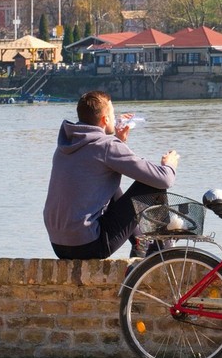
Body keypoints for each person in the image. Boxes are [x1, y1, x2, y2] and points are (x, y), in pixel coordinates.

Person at [43, 90, 180, 259]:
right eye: (113, 114)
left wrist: (119, 140)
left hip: (59, 245)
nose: (115, 118)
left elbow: (97, 162)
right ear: (105, 119)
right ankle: (158, 248)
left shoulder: (65, 145)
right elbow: (164, 180)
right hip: (89, 246)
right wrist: (169, 165)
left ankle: (140, 242)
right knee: (153, 186)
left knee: (109, 181)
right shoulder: (107, 146)